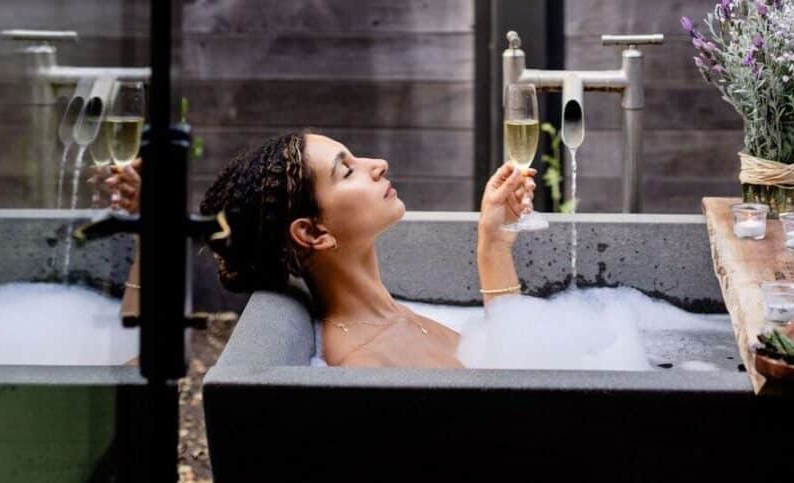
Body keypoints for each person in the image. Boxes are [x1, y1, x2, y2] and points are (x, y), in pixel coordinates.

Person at [104, 130, 535, 368]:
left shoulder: (391, 319)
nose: (377, 163)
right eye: (346, 170)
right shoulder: (367, 364)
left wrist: (493, 244)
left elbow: (515, 377)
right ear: (312, 233)